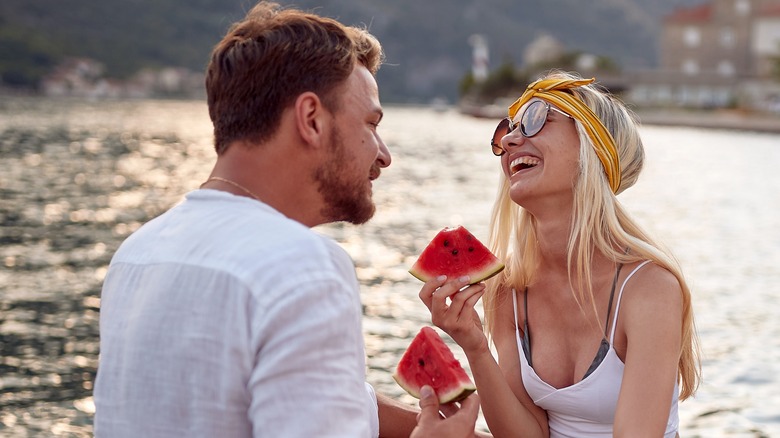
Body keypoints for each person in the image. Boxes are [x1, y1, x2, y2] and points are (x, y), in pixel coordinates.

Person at [93, 2, 483, 437]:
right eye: (371, 124)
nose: (384, 155)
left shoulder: (138, 253)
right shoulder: (304, 267)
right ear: (311, 119)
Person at [419, 70, 701, 437]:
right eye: (508, 129)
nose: (511, 141)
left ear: (592, 145)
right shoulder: (508, 289)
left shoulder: (649, 289)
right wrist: (474, 344)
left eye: (536, 120)